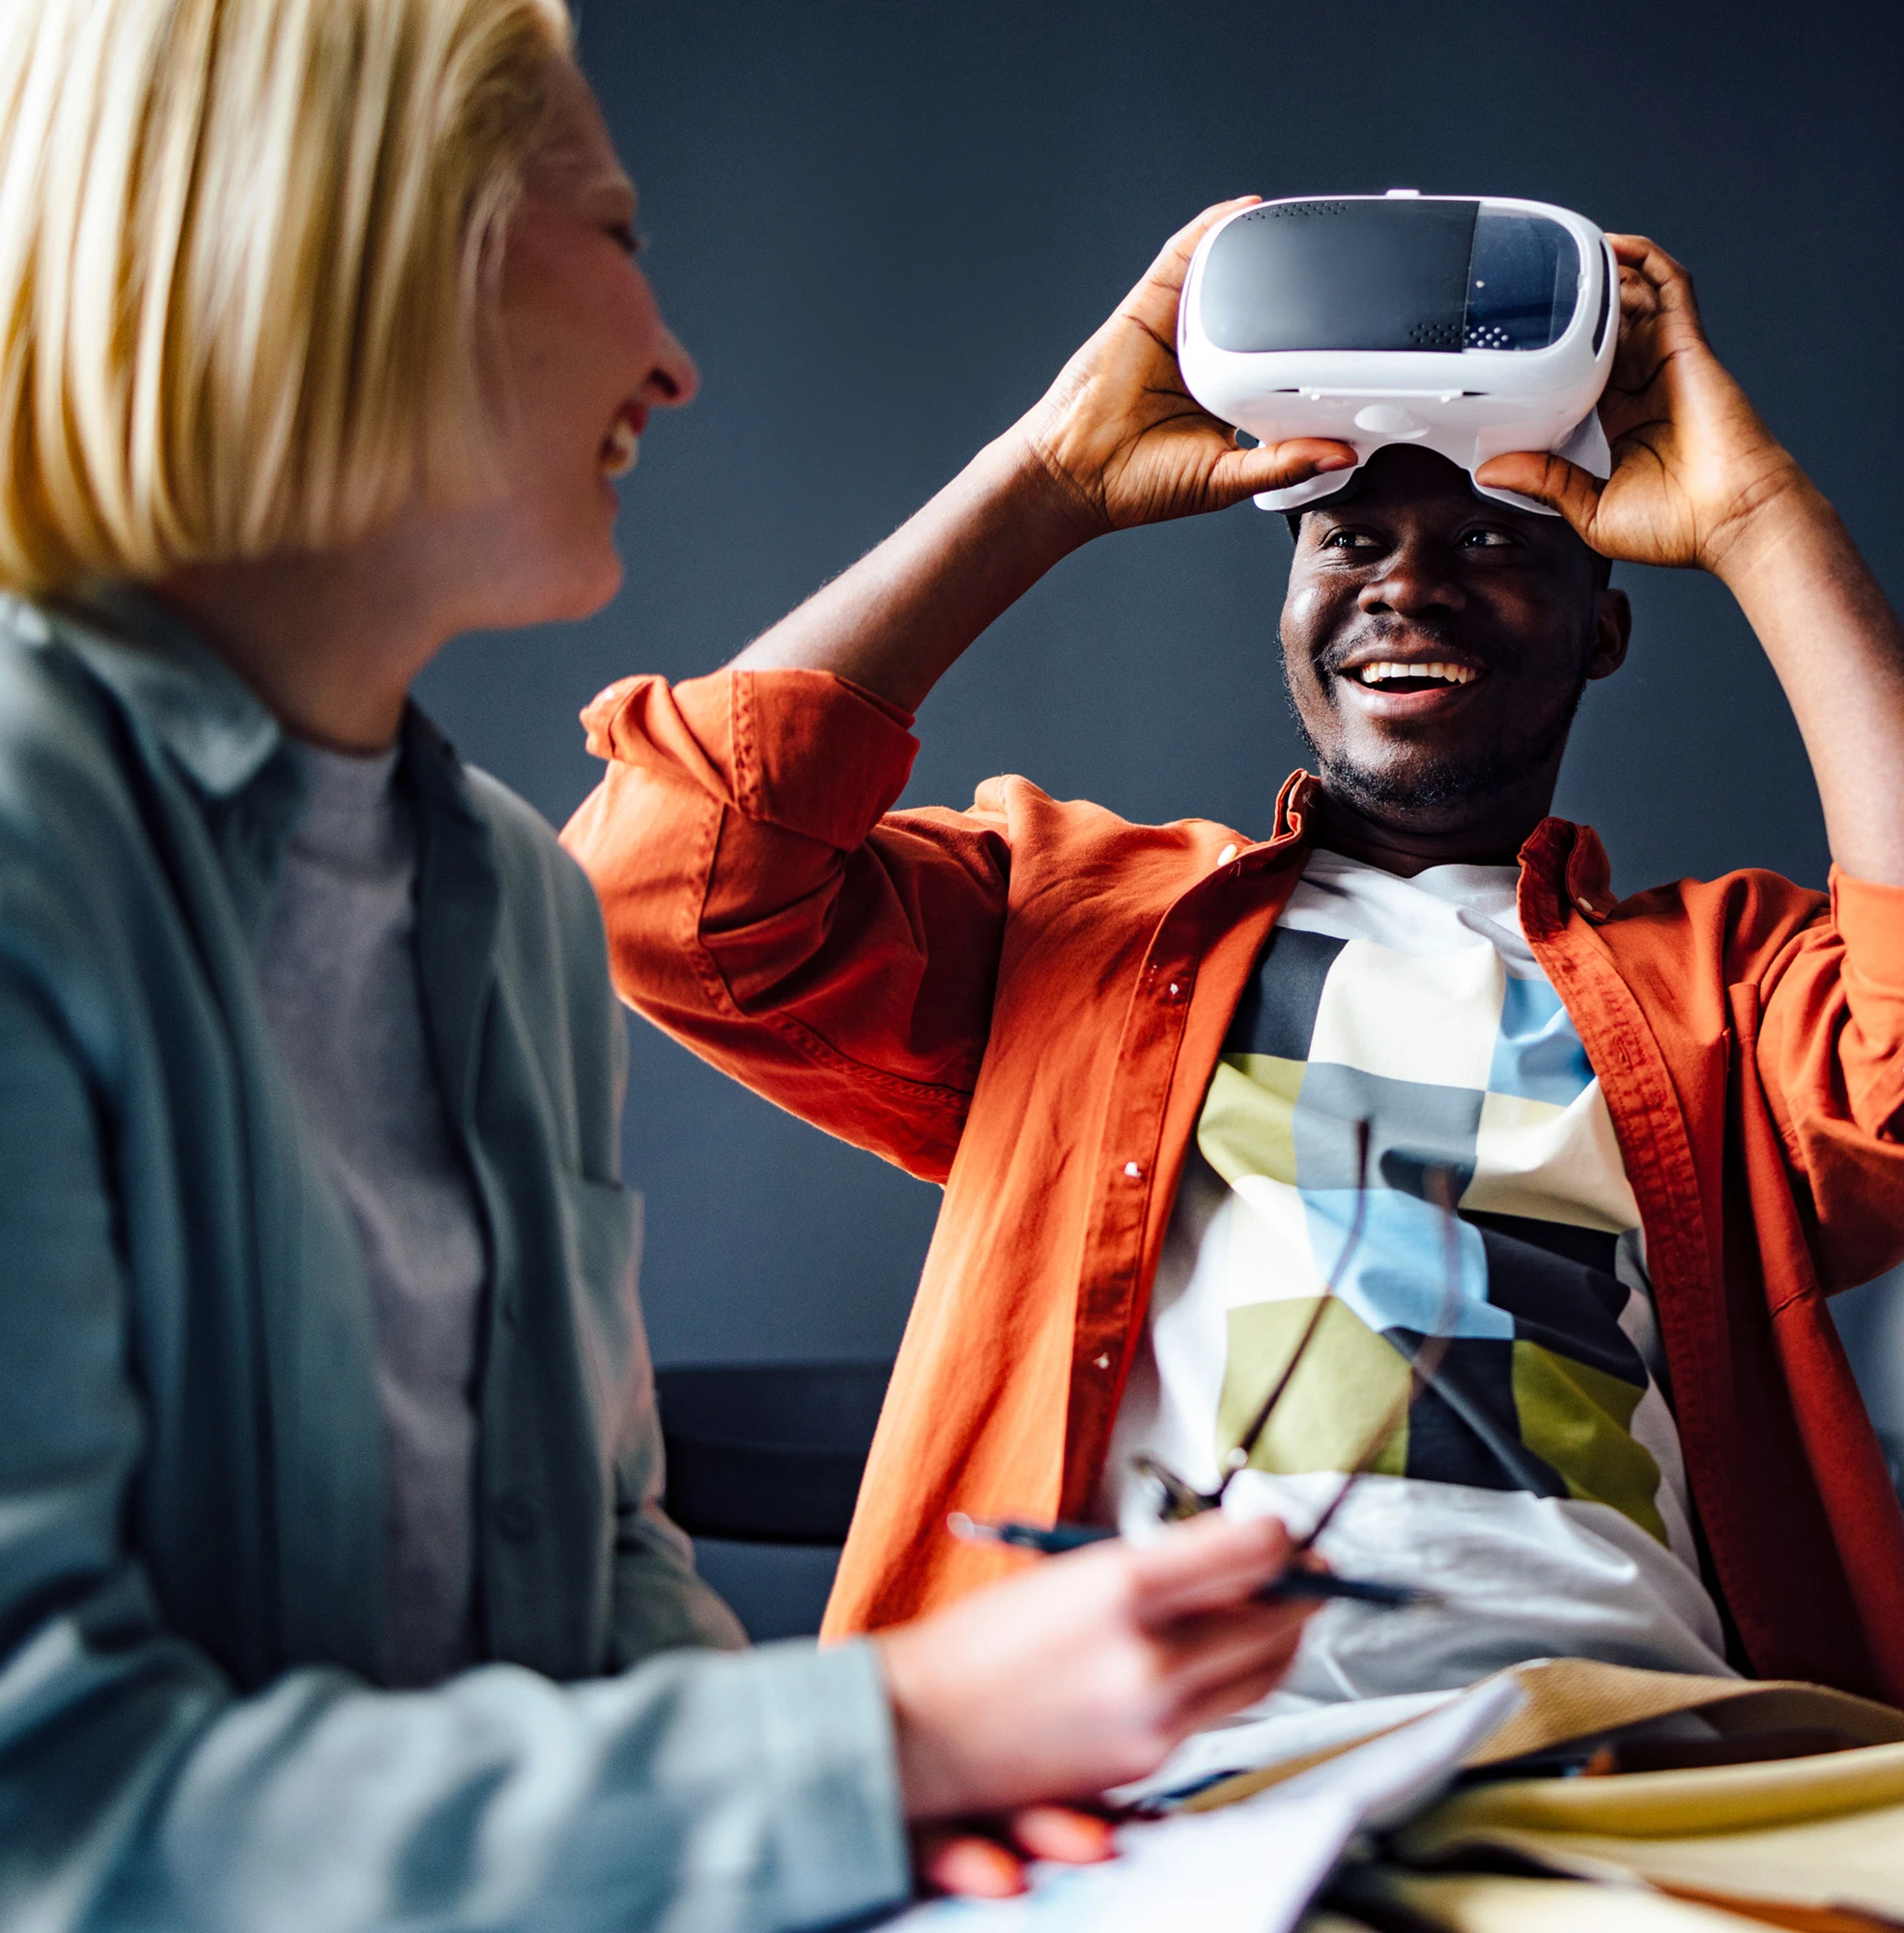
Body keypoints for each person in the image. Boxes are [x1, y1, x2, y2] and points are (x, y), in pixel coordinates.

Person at [0, 4, 1318, 1927]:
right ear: (346, 243)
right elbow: (49, 1812)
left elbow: (603, 1564)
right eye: (612, 233)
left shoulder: (513, 906)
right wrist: (883, 1743)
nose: (674, 357)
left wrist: (863, 1834)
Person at [561, 195, 1904, 1765]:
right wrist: (1045, 480)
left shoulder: (1727, 987)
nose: (1409, 584)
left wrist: (1758, 518)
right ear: (1289, 598)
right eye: (1350, 539)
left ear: (1605, 626)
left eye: (1492, 544)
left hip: (1636, 1760)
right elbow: (663, 887)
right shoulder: (1066, 920)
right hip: (1150, 1775)